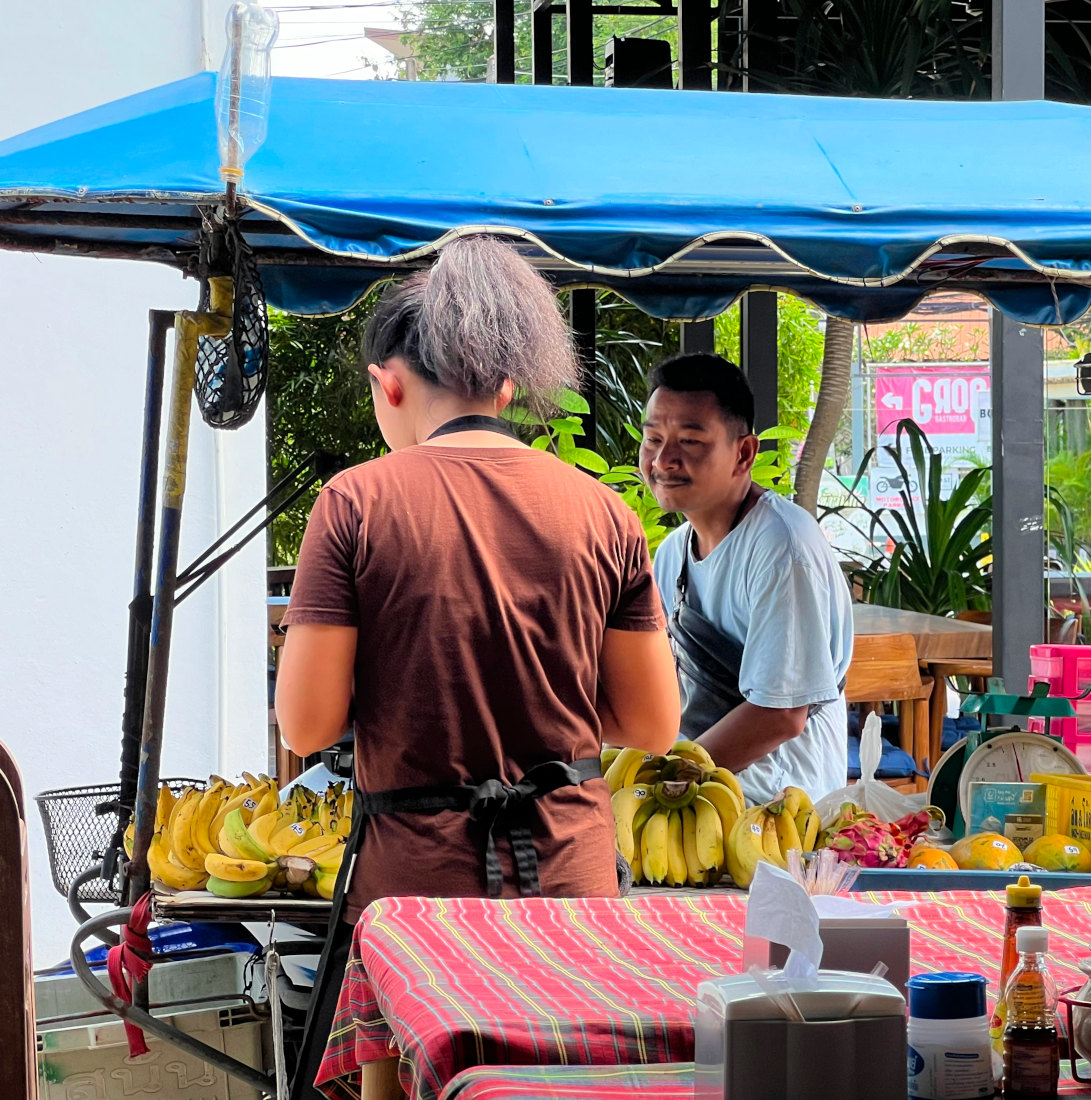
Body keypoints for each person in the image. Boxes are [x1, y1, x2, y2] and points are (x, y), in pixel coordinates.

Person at [274, 237, 679, 1097]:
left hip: (415, 895)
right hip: (570, 874)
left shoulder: (355, 503)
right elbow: (652, 724)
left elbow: (306, 726)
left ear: (391, 383)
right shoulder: (604, 512)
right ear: (507, 384)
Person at [641, 353, 854, 805]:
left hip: (779, 807)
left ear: (744, 453)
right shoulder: (672, 553)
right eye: (653, 438)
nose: (664, 460)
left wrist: (667, 780)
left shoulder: (783, 546)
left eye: (690, 441)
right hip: (701, 795)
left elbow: (781, 715)